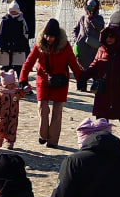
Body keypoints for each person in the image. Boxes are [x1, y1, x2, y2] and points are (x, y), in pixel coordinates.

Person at [19, 18, 83, 148]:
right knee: (42, 108)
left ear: (57, 37)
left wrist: (80, 80)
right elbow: (29, 62)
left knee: (57, 111)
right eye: (47, 36)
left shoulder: (65, 46)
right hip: (43, 79)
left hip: (61, 81)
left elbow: (73, 64)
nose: (49, 39)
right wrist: (23, 79)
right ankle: (43, 135)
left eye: (52, 36)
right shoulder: (39, 44)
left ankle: (53, 141)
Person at [78, 25, 120, 154]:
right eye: (106, 36)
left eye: (112, 36)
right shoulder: (101, 50)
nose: (109, 39)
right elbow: (95, 65)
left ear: (118, 37)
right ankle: (102, 144)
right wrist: (84, 76)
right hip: (103, 92)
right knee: (101, 121)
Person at [0, 70, 30, 149]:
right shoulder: (0, 94)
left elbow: (22, 93)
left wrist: (25, 90)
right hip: (2, 115)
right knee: (0, 127)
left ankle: (10, 142)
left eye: (14, 83)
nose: (13, 85)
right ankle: (0, 139)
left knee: (12, 128)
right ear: (5, 84)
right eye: (10, 84)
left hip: (13, 115)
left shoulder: (16, 93)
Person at [72, 0, 105, 92]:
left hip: (94, 48)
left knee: (94, 67)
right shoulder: (82, 18)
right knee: (82, 67)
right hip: (83, 47)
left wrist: (92, 19)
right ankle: (82, 86)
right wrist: (77, 39)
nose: (91, 8)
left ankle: (96, 86)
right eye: (89, 6)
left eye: (93, 6)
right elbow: (75, 30)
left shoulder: (99, 18)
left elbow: (101, 28)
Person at [0, 3, 30, 76]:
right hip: (6, 47)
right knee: (6, 67)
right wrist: (3, 43)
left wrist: (22, 43)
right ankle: (7, 82)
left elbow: (25, 34)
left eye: (15, 11)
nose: (13, 13)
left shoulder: (21, 20)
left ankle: (21, 82)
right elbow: (0, 33)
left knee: (19, 66)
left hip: (19, 47)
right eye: (12, 11)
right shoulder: (5, 20)